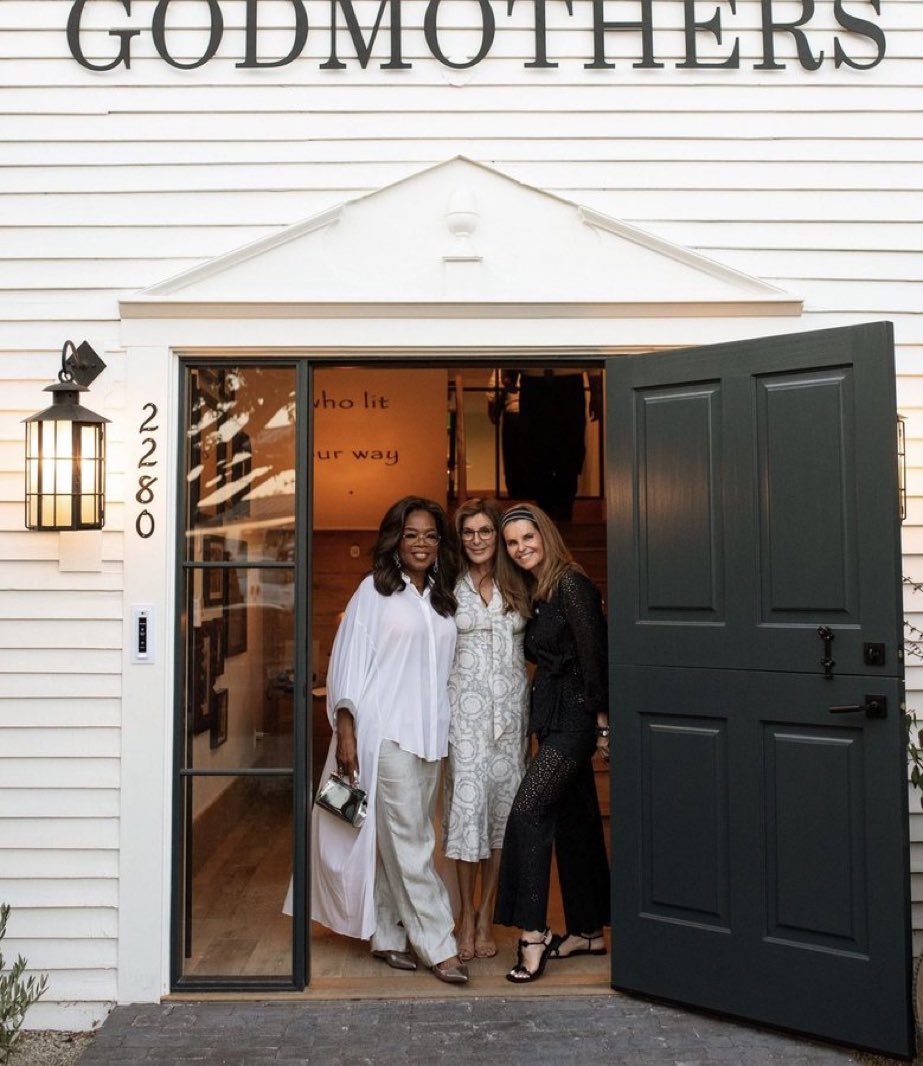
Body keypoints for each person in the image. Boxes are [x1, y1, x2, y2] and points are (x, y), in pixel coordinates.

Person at [311, 496, 469, 985]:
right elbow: (347, 663)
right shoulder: (372, 593)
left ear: (440, 544)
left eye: (430, 536)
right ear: (395, 541)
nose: (421, 544)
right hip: (388, 732)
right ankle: (440, 943)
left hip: (431, 734)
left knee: (398, 839)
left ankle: (388, 934)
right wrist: (347, 732)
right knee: (414, 842)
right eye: (411, 535)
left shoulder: (443, 597)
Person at [494, 503, 611, 983]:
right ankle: (587, 931)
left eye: (528, 538)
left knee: (528, 810)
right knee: (574, 820)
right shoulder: (539, 590)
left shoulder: (570, 584)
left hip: (576, 718)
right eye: (513, 543)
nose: (521, 548)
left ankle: (533, 935)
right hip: (553, 717)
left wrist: (603, 725)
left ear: (546, 535)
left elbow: (594, 654)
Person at [443, 498, 530, 961]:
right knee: (466, 812)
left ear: (498, 536)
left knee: (501, 816)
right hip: (465, 717)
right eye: (469, 532)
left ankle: (485, 915)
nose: (477, 539)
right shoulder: (445, 585)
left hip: (511, 716)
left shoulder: (520, 581)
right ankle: (463, 914)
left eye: (485, 531)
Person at [517, 369, 601, 521]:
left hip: (559, 380)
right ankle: (551, 510)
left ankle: (561, 510)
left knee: (567, 451)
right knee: (538, 452)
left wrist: (596, 393)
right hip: (542, 380)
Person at [487, 369, 531, 499]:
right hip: (533, 414)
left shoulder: (503, 366)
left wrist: (493, 411)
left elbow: (493, 392)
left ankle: (516, 495)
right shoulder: (534, 364)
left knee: (512, 459)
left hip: (513, 414)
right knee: (531, 458)